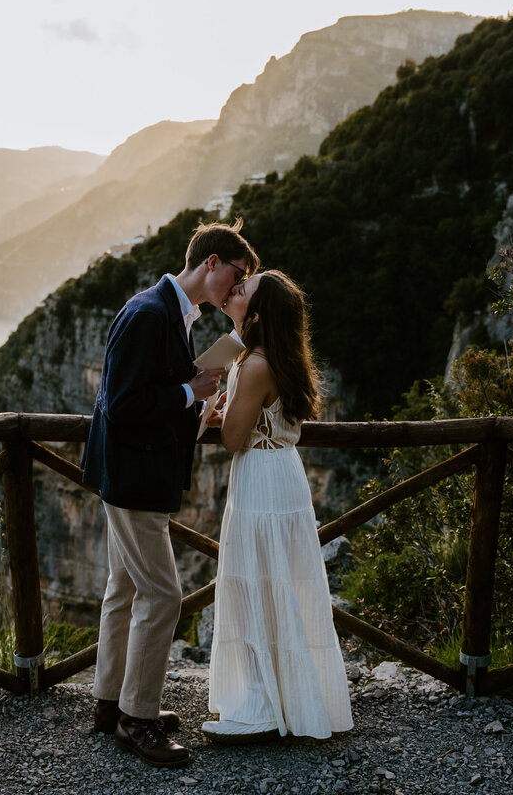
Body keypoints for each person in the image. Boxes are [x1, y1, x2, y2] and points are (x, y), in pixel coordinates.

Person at [81, 218, 260, 767]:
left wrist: (201, 404)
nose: (236, 288)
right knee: (163, 596)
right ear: (210, 262)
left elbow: (156, 396)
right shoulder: (148, 312)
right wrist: (190, 388)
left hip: (133, 474)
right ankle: (138, 720)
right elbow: (123, 404)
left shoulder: (174, 314)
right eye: (236, 274)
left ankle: (109, 704)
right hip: (134, 479)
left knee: (123, 592)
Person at [202, 270, 353, 743]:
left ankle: (260, 704)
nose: (234, 290)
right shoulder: (280, 358)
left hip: (259, 480)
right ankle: (294, 696)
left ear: (259, 313)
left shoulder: (253, 364)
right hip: (284, 474)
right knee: (283, 584)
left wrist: (212, 405)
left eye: (243, 290)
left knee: (251, 588)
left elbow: (230, 439)